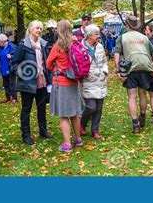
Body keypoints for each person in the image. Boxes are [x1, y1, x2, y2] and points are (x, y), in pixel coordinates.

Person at [114, 15, 153, 133]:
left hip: (130, 67)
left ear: (127, 25)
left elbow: (117, 53)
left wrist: (118, 69)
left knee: (132, 96)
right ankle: (142, 116)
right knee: (142, 93)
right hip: (145, 66)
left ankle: (135, 123)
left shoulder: (122, 37)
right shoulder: (144, 38)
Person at [11, 20, 53, 145]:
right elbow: (14, 64)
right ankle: (26, 134)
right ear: (30, 29)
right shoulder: (23, 45)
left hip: (42, 81)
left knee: (41, 107)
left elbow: (46, 62)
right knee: (26, 109)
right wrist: (24, 74)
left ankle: (43, 131)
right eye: (36, 28)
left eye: (40, 28)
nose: (39, 30)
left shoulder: (44, 44)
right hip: (27, 83)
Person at [46, 20, 84, 153]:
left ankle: (67, 144)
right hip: (74, 82)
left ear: (59, 30)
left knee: (63, 115)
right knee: (74, 113)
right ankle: (78, 138)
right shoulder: (75, 43)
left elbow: (48, 64)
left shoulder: (58, 46)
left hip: (62, 83)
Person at [79, 24, 108, 139]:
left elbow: (105, 61)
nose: (98, 36)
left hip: (100, 80)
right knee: (91, 107)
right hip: (88, 80)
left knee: (99, 108)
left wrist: (105, 71)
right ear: (89, 35)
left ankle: (95, 130)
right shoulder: (80, 47)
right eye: (96, 34)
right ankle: (82, 123)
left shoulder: (100, 46)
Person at [0, 34, 17, 104]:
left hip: (11, 68)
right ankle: (7, 97)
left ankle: (14, 97)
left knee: (12, 83)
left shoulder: (12, 46)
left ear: (4, 41)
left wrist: (11, 56)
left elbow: (17, 56)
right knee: (5, 84)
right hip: (3, 68)